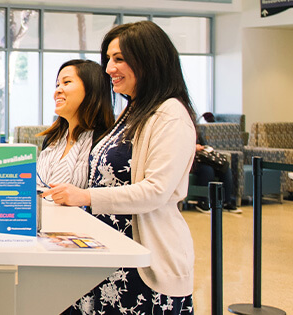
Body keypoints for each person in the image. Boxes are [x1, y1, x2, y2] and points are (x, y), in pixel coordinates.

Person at [42, 21, 197, 314]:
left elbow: (155, 192)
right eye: (109, 59)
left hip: (144, 264)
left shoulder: (170, 116)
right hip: (108, 256)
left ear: (149, 60)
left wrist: (86, 197)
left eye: (119, 59)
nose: (109, 69)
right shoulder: (134, 110)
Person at [35, 59, 114, 189]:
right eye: (57, 85)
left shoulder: (104, 142)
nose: (57, 91)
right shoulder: (53, 139)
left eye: (66, 82)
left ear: (92, 89)